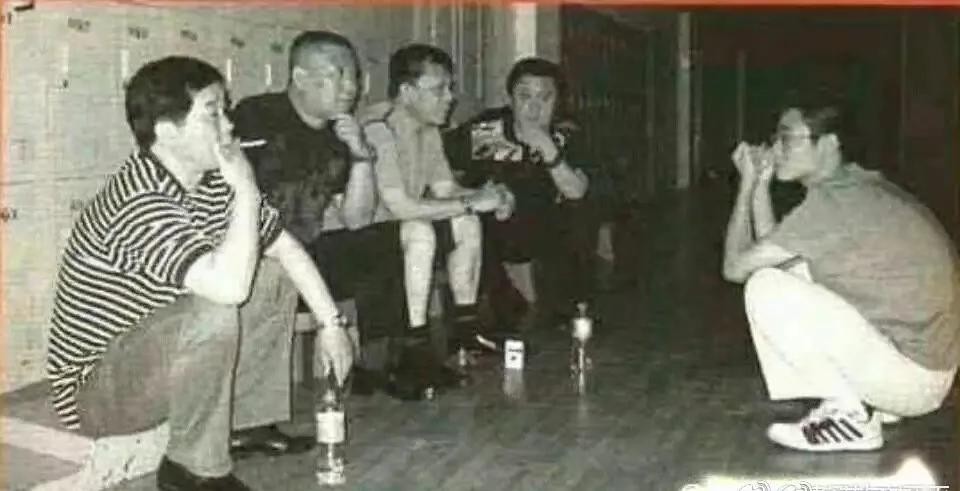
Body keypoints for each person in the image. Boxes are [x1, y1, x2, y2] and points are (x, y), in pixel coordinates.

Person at [46, 56, 353, 490]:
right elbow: (227, 290)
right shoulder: (140, 198)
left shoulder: (207, 183)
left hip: (159, 356)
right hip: (98, 392)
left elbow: (285, 248)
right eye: (213, 113)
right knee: (215, 307)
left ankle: (246, 424)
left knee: (271, 275)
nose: (229, 126)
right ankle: (192, 469)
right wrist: (247, 189)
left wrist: (331, 325)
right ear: (168, 132)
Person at [721, 95, 959, 451]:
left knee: (764, 287)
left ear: (829, 144)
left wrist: (746, 186)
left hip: (914, 380)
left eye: (787, 138)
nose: (775, 148)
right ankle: (866, 400)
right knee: (787, 276)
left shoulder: (834, 204)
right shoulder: (854, 187)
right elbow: (778, 258)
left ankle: (849, 416)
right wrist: (760, 185)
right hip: (926, 372)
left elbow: (735, 267)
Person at [231, 31, 404, 393]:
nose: (350, 87)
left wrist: (360, 155)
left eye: (353, 76)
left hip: (307, 253)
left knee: (382, 239)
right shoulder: (256, 116)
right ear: (300, 77)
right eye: (337, 75)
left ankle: (378, 364)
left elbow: (357, 219)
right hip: (257, 254)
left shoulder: (339, 135)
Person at [361, 44, 511, 363]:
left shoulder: (427, 128)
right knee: (422, 229)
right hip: (362, 233)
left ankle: (465, 333)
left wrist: (492, 196)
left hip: (398, 224)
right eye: (439, 89)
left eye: (450, 88)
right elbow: (399, 207)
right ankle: (415, 343)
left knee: (466, 221)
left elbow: (446, 189)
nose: (450, 98)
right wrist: (472, 202)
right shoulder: (377, 128)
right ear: (407, 92)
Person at [444, 57, 593, 333]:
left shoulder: (566, 133)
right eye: (524, 96)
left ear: (557, 101)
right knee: (467, 220)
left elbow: (576, 191)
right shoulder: (486, 129)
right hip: (495, 223)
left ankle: (568, 304)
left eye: (545, 98)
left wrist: (546, 146)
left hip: (545, 226)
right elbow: (440, 165)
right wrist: (477, 194)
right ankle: (503, 300)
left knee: (578, 213)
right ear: (510, 98)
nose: (534, 107)